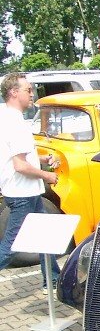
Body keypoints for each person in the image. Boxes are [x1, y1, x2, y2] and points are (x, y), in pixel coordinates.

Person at [0, 73, 61, 289]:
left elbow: (17, 157)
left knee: (45, 237)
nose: (32, 94)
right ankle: (52, 279)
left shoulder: (6, 117)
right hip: (22, 194)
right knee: (11, 247)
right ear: (14, 92)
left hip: (25, 192)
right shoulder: (15, 123)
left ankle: (52, 279)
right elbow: (20, 165)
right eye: (28, 90)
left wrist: (42, 159)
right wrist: (48, 175)